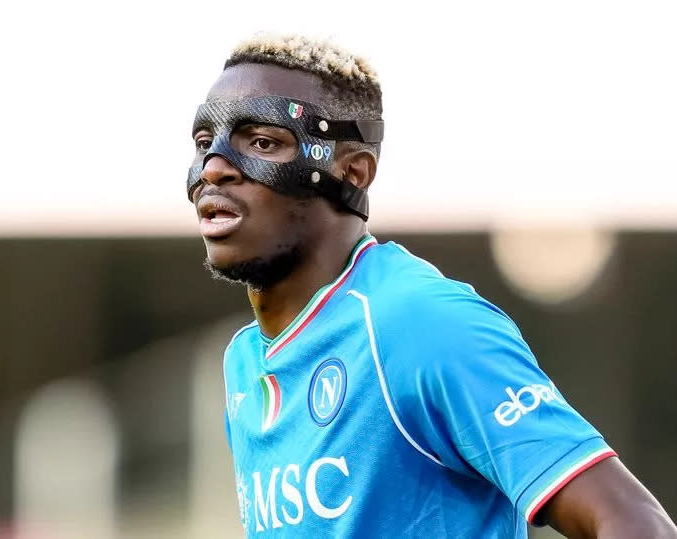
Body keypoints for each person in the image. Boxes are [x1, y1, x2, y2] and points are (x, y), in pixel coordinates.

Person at [186, 33, 677, 538]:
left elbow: (635, 523)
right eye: (204, 144)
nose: (214, 167)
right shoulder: (243, 362)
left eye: (263, 142)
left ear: (352, 172)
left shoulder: (419, 322)